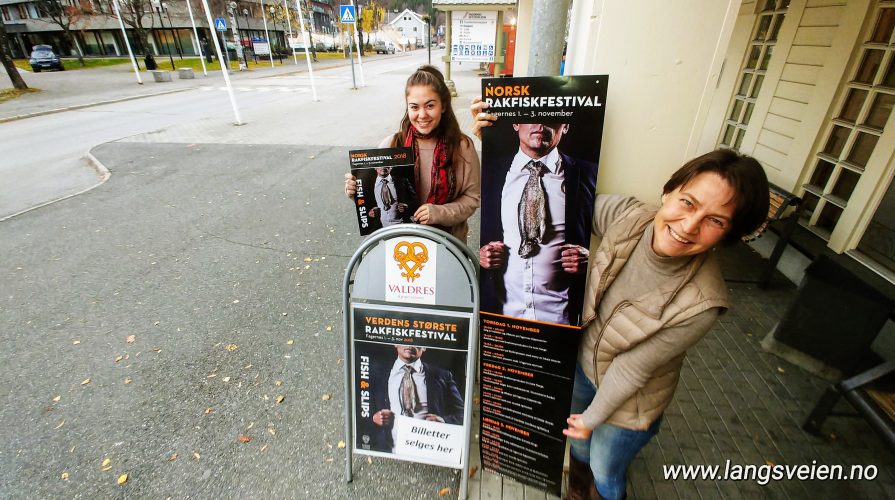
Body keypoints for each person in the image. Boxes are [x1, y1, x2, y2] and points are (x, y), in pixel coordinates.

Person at [472, 101, 770, 499]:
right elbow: (555, 196)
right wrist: (489, 140)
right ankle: (578, 487)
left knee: (606, 468)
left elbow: (633, 370)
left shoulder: (704, 301)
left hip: (631, 402)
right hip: (580, 364)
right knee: (578, 448)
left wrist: (590, 420)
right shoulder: (629, 215)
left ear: (729, 236)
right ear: (668, 193)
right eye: (688, 203)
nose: (689, 226)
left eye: (715, 221)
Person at [476, 117, 597, 326]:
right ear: (515, 123)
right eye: (531, 116)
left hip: (563, 320)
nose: (541, 124)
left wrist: (592, 260)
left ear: (566, 125)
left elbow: (610, 240)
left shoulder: (589, 174)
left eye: (553, 117)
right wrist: (482, 255)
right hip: (504, 316)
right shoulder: (491, 171)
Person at [345, 66, 480, 242]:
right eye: (414, 107)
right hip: (400, 243)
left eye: (430, 105)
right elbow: (372, 196)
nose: (422, 114)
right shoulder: (391, 146)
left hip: (448, 245)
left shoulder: (462, 147)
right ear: (407, 107)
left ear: (443, 106)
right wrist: (356, 190)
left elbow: (472, 198)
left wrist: (440, 213)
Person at [367, 344, 465, 452]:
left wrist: (443, 422)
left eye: (416, 341)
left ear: (424, 347)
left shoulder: (443, 376)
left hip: (430, 448)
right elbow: (359, 409)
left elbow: (463, 414)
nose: (409, 344)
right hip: (390, 448)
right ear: (395, 343)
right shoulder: (376, 373)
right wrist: (373, 418)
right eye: (405, 338)